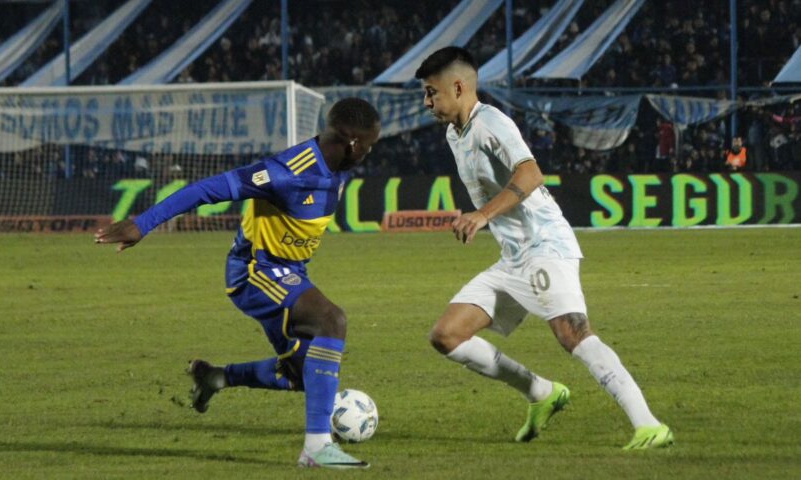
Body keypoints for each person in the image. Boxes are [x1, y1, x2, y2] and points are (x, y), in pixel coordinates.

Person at [95, 98, 381, 469]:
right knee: (332, 320)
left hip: (290, 271)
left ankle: (215, 377)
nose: (370, 153)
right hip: (255, 271)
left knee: (302, 374)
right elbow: (206, 189)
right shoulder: (287, 172)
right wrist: (142, 224)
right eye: (370, 146)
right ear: (354, 142)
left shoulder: (337, 167)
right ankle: (317, 449)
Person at [415, 47, 673, 450]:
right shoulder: (454, 134)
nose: (427, 102)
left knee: (573, 333)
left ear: (459, 87)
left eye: (432, 92)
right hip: (513, 256)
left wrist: (481, 215)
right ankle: (541, 392)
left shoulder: (491, 123)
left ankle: (649, 425)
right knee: (446, 335)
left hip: (545, 245)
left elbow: (531, 173)